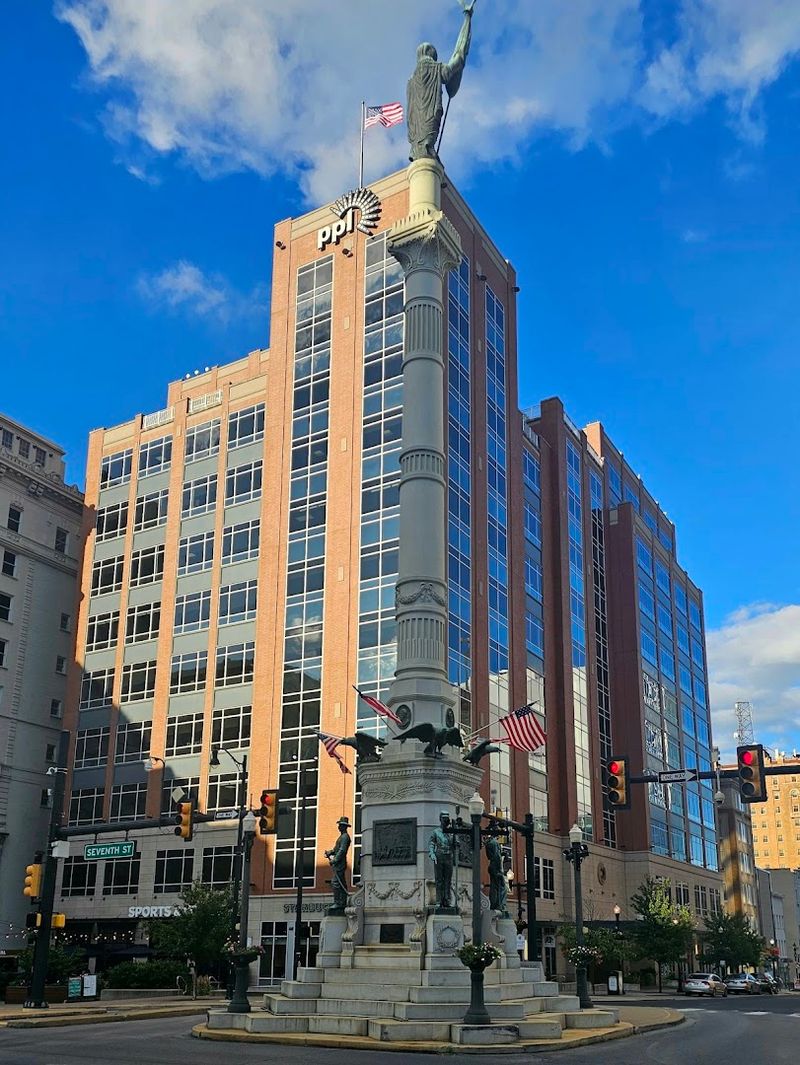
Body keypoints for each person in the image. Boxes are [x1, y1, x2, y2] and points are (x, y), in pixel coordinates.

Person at [406, 2, 475, 161]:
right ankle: (427, 149)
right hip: (430, 120)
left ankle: (422, 149)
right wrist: (467, 21)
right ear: (431, 54)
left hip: (414, 131)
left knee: (423, 152)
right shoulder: (435, 68)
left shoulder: (410, 80)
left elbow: (410, 111)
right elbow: (455, 63)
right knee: (427, 148)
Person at [428, 812, 455, 911]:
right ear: (440, 819)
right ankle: (439, 901)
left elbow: (456, 845)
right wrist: (432, 854)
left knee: (448, 881)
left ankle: (447, 901)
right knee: (439, 880)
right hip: (439, 856)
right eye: (444, 818)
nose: (446, 820)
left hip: (449, 857)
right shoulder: (436, 832)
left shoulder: (451, 833)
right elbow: (431, 843)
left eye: (447, 818)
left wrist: (455, 838)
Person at [325, 816, 351, 914]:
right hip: (338, 863)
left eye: (340, 825)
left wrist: (335, 860)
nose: (339, 826)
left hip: (340, 863)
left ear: (344, 827)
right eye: (339, 825)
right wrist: (330, 852)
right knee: (341, 883)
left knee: (336, 883)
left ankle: (338, 903)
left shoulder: (345, 837)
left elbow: (342, 850)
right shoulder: (341, 837)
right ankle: (341, 902)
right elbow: (336, 849)